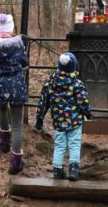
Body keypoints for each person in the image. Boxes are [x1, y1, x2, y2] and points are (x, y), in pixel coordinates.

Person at [35, 52, 92, 181]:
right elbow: (82, 101)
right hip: (74, 121)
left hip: (58, 121)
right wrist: (87, 113)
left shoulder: (50, 82)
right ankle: (74, 170)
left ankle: (57, 171)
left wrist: (40, 117)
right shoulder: (77, 83)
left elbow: (43, 101)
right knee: (74, 144)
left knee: (60, 145)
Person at [0, 13, 28, 174]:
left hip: (0, 84)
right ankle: (16, 162)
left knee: (2, 108)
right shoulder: (18, 45)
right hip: (16, 84)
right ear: (10, 29)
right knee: (17, 124)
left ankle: (3, 140)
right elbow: (25, 62)